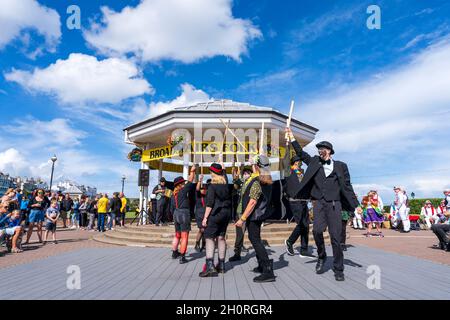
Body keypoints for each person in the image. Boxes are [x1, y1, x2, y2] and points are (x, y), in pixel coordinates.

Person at [286, 127, 359, 282]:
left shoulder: (341, 166)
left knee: (336, 238)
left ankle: (339, 268)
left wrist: (355, 204)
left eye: (323, 149)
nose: (320, 151)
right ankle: (322, 256)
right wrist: (292, 137)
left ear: (330, 151)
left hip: (335, 204)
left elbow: (347, 185)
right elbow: (301, 153)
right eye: (319, 149)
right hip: (318, 202)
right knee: (317, 231)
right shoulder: (314, 162)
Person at [235, 154, 275, 282]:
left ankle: (268, 270)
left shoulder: (258, 181)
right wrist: (254, 161)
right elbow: (257, 171)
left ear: (257, 166)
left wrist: (242, 219)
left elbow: (252, 202)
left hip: (254, 216)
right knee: (255, 238)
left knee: (255, 240)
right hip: (259, 215)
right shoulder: (265, 178)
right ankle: (262, 265)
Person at [199, 163, 233, 277]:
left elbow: (209, 204)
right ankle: (222, 265)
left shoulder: (212, 186)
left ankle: (210, 267)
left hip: (215, 214)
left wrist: (205, 218)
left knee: (209, 238)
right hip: (226, 214)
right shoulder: (225, 183)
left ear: (213, 173)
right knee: (221, 237)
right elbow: (223, 170)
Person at [284, 155, 313, 257]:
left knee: (306, 225)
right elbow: (286, 162)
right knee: (301, 224)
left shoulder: (301, 172)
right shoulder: (288, 171)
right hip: (295, 201)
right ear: (295, 162)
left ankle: (304, 249)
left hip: (304, 201)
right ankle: (290, 241)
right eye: (299, 161)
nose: (301, 163)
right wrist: (288, 143)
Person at [170, 167, 196, 263]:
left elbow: (171, 207)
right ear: (180, 184)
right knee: (184, 236)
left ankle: (174, 253)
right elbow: (190, 180)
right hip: (184, 213)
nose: (184, 184)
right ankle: (182, 257)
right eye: (183, 183)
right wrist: (192, 171)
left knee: (177, 235)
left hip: (176, 214)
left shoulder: (173, 194)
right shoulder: (183, 190)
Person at [229, 167, 253, 262]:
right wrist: (234, 173)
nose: (246, 174)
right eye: (245, 173)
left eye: (248, 173)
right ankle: (237, 253)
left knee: (253, 235)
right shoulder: (242, 183)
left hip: (250, 212)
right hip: (240, 212)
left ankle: (260, 256)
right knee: (239, 234)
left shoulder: (253, 183)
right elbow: (236, 181)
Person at [194, 174, 208, 252]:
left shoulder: (208, 196)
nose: (203, 190)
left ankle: (204, 245)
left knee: (205, 231)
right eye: (202, 189)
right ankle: (197, 243)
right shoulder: (198, 195)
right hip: (199, 215)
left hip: (206, 215)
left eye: (205, 189)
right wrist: (200, 180)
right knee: (202, 230)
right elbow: (197, 188)